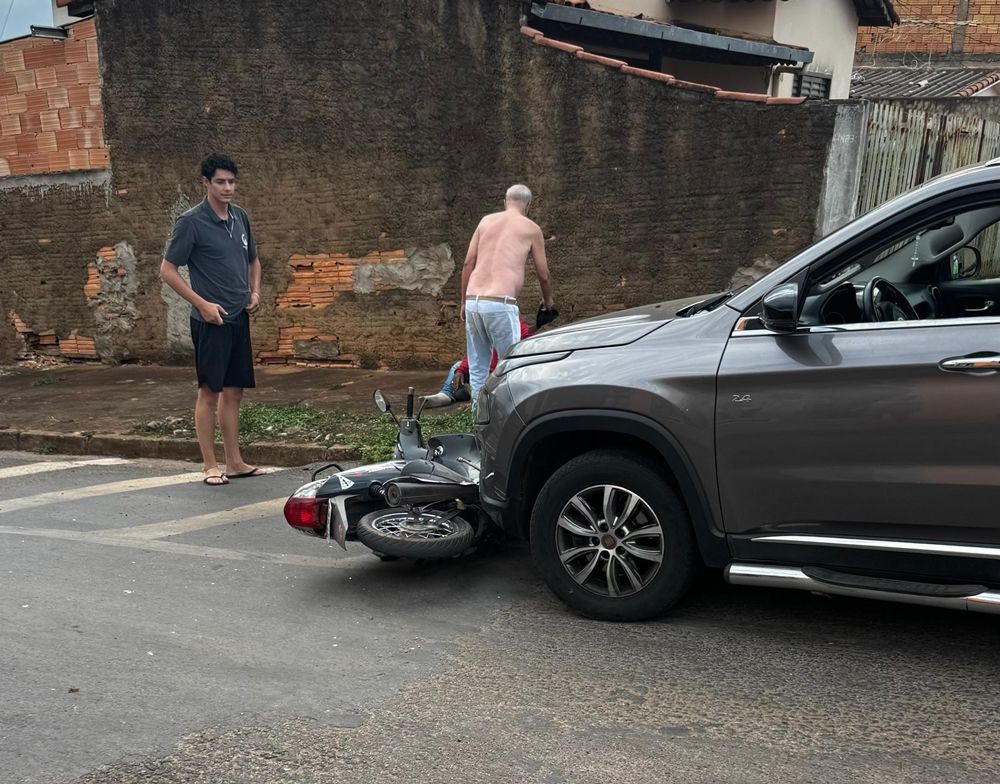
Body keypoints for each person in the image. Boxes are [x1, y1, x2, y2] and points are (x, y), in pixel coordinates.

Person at [159, 153, 263, 486]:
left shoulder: (240, 217)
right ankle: (209, 465)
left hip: (238, 317)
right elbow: (167, 271)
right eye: (220, 182)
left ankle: (234, 461)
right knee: (210, 392)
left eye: (232, 181)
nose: (228, 188)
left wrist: (255, 292)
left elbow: (254, 261)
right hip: (211, 320)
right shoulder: (191, 222)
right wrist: (202, 304)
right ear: (206, 183)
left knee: (234, 393)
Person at [461, 184, 555, 409]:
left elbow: (468, 262)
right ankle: (510, 416)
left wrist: (464, 301)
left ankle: (479, 415)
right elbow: (543, 273)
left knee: (477, 366)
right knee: (512, 364)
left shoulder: (485, 221)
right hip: (500, 304)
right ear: (528, 205)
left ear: (505, 202)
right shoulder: (531, 228)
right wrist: (548, 300)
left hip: (474, 300)